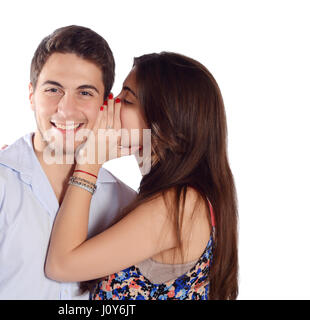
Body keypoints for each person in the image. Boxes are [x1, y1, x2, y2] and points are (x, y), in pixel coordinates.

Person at [0, 25, 137, 299]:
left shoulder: (124, 203)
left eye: (84, 93)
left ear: (106, 104)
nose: (66, 109)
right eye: (53, 90)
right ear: (31, 95)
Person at [44, 52, 239, 300]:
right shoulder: (177, 200)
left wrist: (90, 164)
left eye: (127, 99)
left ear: (165, 121)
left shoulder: (178, 206)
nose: (110, 105)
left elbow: (61, 265)